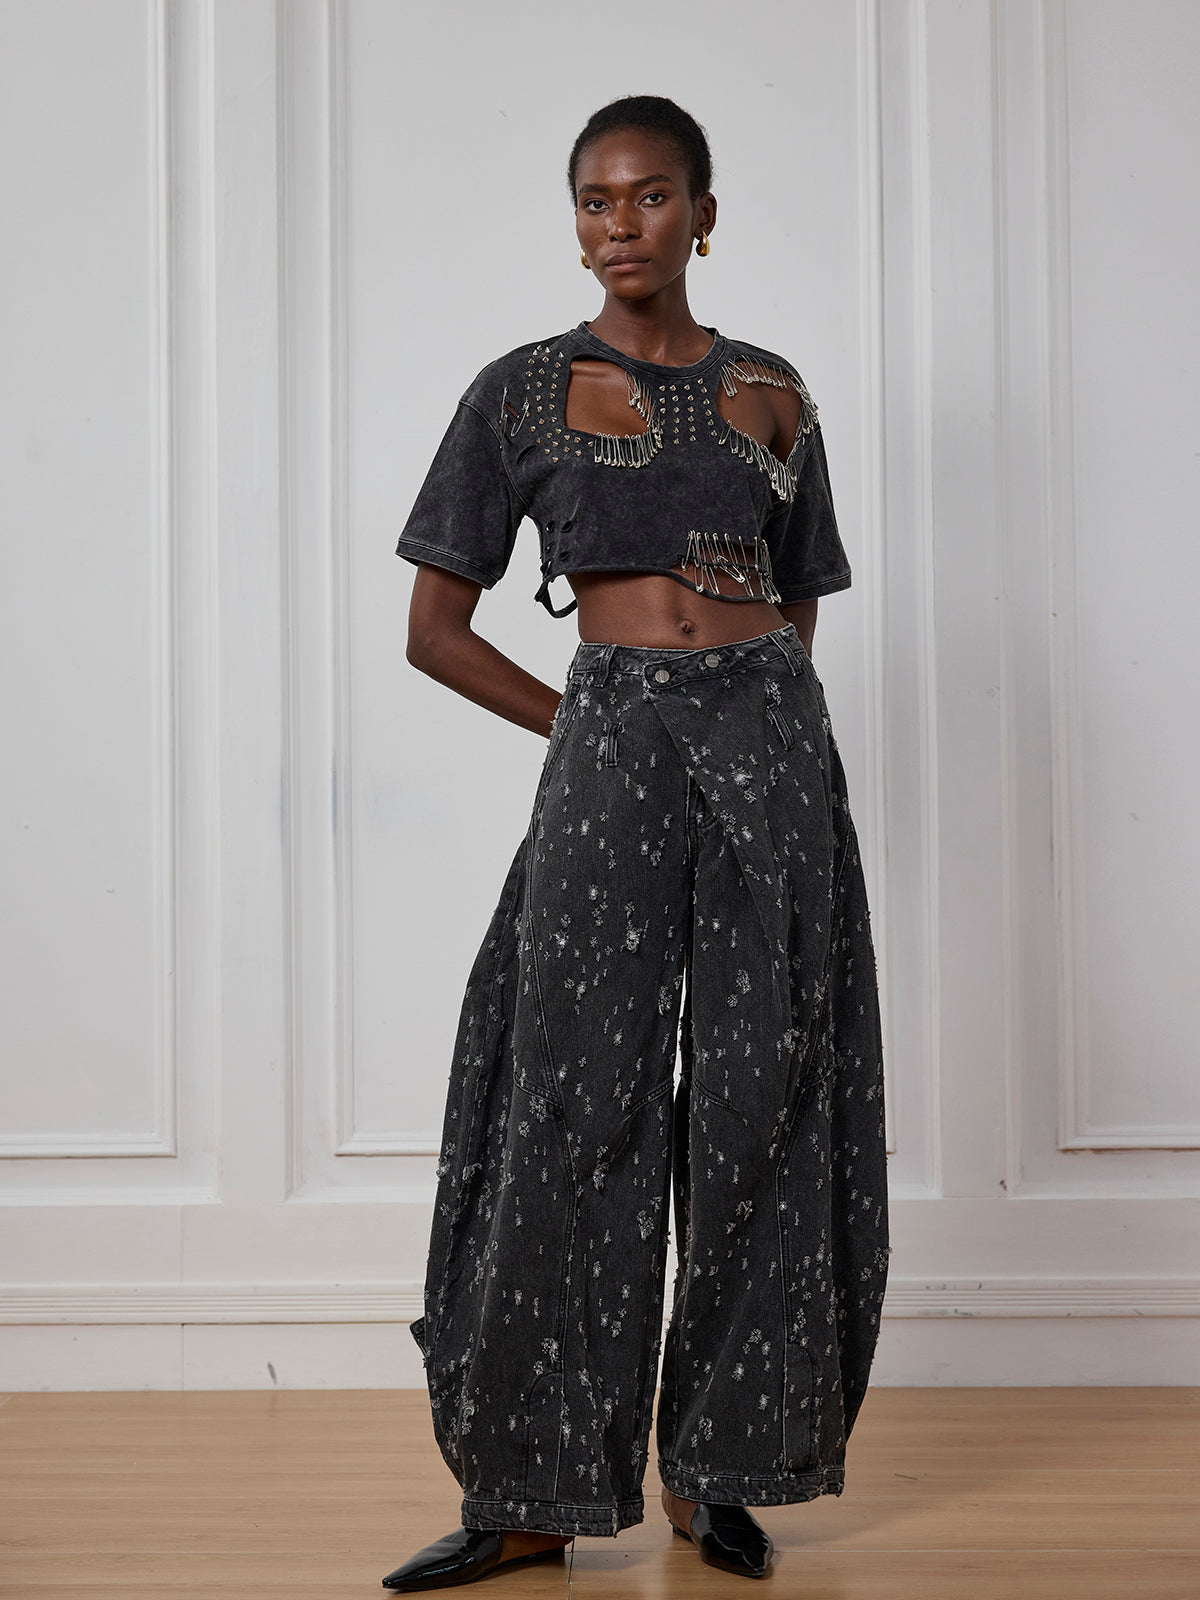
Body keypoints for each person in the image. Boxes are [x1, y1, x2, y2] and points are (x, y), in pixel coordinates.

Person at [382, 94, 890, 1592]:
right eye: (597, 201)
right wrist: (588, 729)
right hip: (608, 736)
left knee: (762, 1089)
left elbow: (799, 605)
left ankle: (721, 1474)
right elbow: (433, 631)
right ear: (576, 224)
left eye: (652, 196)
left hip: (770, 743)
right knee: (570, 1094)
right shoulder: (520, 393)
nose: (622, 224)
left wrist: (761, 728)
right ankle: (530, 1490)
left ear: (702, 215)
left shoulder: (774, 393)